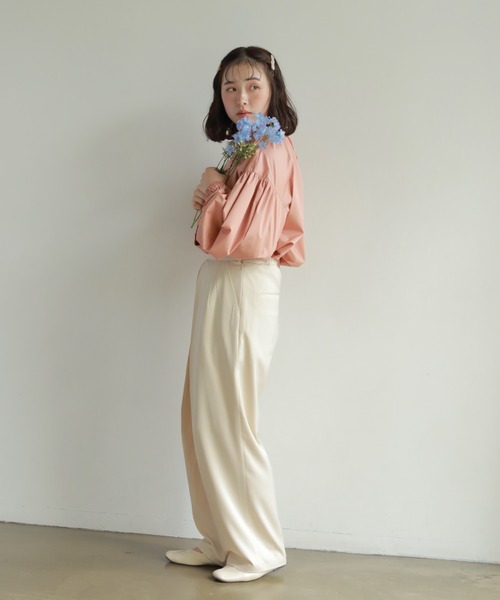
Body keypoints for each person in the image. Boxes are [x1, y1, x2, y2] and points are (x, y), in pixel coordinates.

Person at [166, 46, 305, 583]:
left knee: (232, 418)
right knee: (202, 413)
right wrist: (216, 188)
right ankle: (221, 538)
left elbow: (243, 235)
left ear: (272, 91)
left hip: (245, 279)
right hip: (224, 280)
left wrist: (212, 187)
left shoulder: (269, 148)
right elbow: (222, 221)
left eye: (252, 86)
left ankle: (258, 547)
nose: (241, 97)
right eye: (229, 87)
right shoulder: (244, 147)